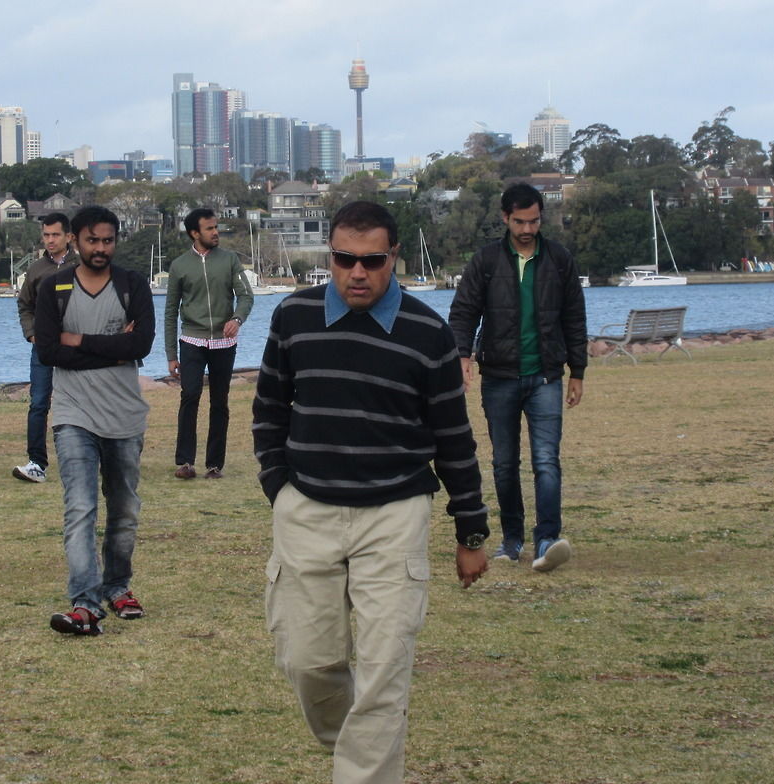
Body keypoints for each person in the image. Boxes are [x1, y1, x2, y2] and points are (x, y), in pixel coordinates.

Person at [253, 200, 489, 784]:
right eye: (344, 259)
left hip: (395, 514)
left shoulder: (429, 333)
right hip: (306, 510)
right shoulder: (293, 317)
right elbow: (268, 409)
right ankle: (360, 753)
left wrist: (472, 531)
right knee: (309, 663)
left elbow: (453, 439)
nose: (357, 272)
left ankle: (365, 771)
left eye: (372, 260)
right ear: (329, 257)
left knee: (385, 672)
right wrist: (279, 488)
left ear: (394, 259)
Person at [448, 182, 587, 572]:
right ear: (505, 218)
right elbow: (463, 312)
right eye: (520, 221)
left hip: (546, 377)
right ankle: (511, 541)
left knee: (547, 461)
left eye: (534, 221)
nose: (528, 229)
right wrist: (462, 355)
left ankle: (547, 539)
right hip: (499, 377)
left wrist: (578, 371)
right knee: (504, 464)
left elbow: (574, 317)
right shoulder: (487, 261)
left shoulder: (559, 259)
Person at [34, 205, 155, 635]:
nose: (100, 248)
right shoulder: (54, 288)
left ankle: (118, 587)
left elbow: (141, 344)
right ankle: (85, 603)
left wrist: (80, 341)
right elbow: (48, 351)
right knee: (81, 508)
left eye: (108, 241)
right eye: (92, 241)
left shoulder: (132, 284)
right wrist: (113, 348)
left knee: (123, 511)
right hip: (73, 414)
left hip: (124, 415)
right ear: (75, 240)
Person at [163, 207, 253, 480]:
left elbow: (246, 296)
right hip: (191, 340)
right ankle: (185, 462)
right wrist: (170, 353)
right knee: (189, 396)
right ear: (194, 233)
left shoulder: (230, 261)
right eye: (210, 228)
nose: (216, 233)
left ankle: (214, 465)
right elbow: (170, 311)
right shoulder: (179, 266)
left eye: (216, 227)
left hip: (224, 345)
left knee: (219, 402)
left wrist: (237, 319)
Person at [12, 212, 79, 483]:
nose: (50, 240)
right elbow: (24, 305)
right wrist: (31, 334)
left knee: (81, 402)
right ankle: (36, 463)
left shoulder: (83, 266)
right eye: (46, 235)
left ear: (69, 237)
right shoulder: (36, 269)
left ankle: (85, 459)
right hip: (43, 348)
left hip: (77, 346)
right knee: (39, 404)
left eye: (55, 235)